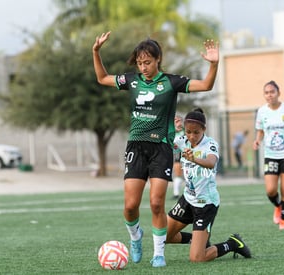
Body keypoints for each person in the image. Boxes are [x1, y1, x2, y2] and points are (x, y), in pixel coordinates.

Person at [92, 31, 219, 267]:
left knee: (157, 203)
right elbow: (102, 78)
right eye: (140, 63)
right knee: (130, 206)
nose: (143, 67)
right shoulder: (131, 81)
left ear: (157, 59)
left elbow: (206, 85)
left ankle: (159, 253)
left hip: (161, 147)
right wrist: (96, 51)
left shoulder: (171, 82)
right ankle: (136, 237)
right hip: (136, 146)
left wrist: (213, 64)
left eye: (147, 62)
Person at [166, 108, 251, 262]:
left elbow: (211, 163)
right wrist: (171, 128)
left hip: (205, 204)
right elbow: (161, 141)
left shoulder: (210, 144)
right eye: (188, 132)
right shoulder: (182, 140)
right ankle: (198, 239)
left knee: (197, 258)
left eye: (196, 132)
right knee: (162, 236)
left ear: (204, 129)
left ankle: (232, 244)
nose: (191, 136)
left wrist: (194, 159)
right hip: (187, 200)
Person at [252, 80, 284, 230]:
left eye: (272, 92)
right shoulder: (262, 111)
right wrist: (257, 140)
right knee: (270, 190)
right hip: (271, 155)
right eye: (266, 92)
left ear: (278, 93)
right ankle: (278, 205)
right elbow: (260, 130)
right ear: (264, 95)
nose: (269, 95)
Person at [172, 114, 185, 199]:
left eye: (179, 120)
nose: (178, 123)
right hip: (176, 155)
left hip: (185, 154)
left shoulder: (185, 131)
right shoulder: (170, 132)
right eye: (176, 121)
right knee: (178, 174)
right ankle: (176, 194)